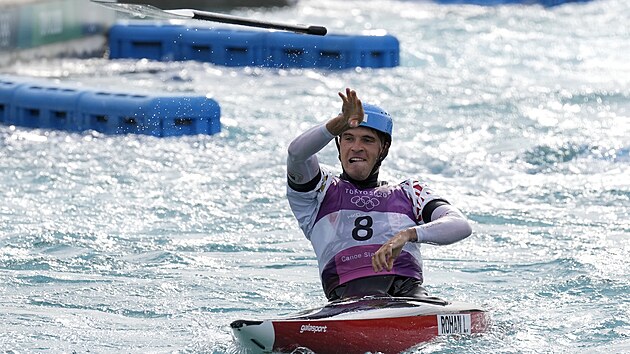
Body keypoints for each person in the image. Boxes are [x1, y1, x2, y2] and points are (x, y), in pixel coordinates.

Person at [286, 88, 472, 301]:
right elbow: (297, 153)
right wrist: (339, 123)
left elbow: (460, 225)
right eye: (348, 138)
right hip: (346, 303)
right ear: (339, 144)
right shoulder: (320, 191)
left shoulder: (410, 192)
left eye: (367, 140)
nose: (357, 147)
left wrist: (408, 235)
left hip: (411, 299)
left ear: (383, 148)